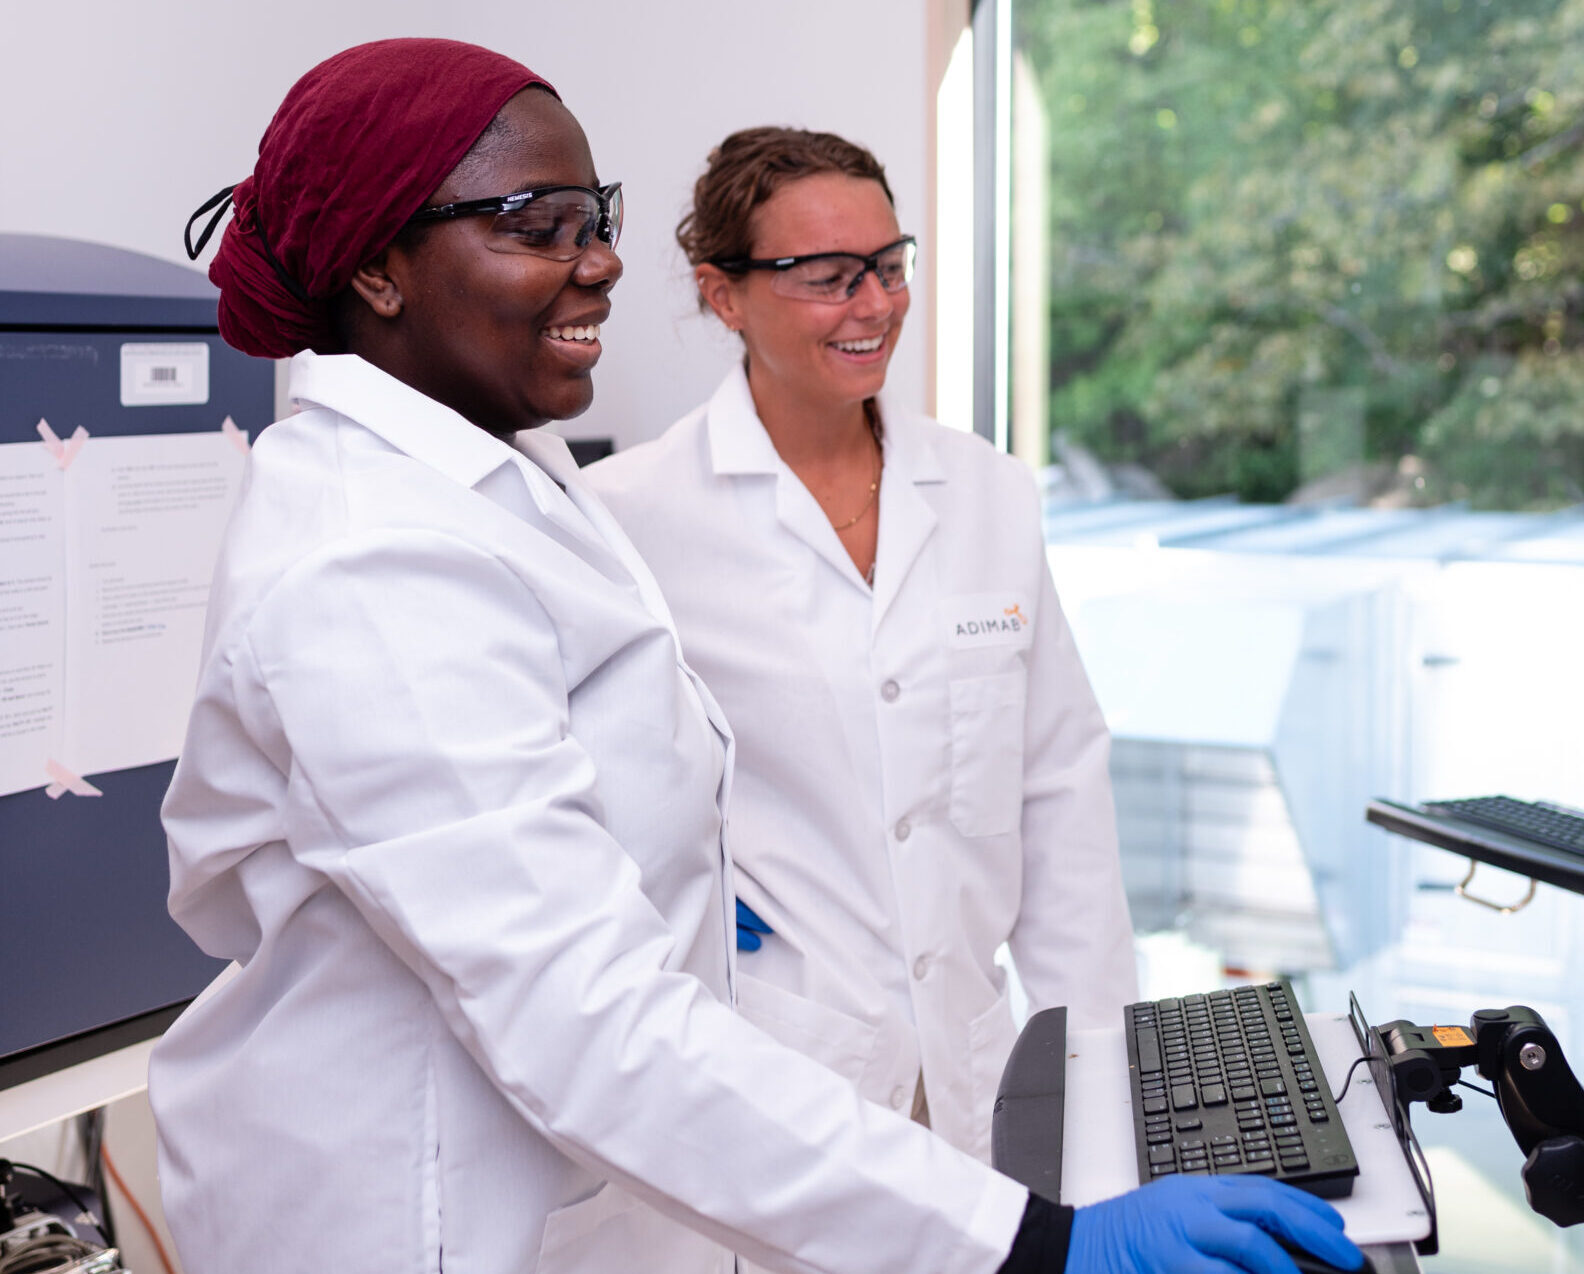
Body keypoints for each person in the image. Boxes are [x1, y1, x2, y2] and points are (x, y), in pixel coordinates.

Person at [149, 37, 1365, 1274]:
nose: (601, 259)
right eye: (538, 221)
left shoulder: (513, 485)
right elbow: (585, 1018)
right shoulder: (372, 561)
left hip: (681, 1146)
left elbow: (1054, 789)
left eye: (598, 216)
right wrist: (1032, 1244)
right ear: (375, 267)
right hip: (430, 1210)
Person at [584, 127, 1139, 1162]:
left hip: (979, 1072)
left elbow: (1058, 794)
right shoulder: (630, 515)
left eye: (889, 265)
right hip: (774, 1073)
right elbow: (601, 805)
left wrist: (1100, 1074)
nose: (875, 304)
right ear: (723, 293)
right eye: (829, 277)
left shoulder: (984, 491)